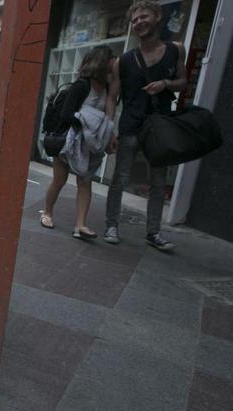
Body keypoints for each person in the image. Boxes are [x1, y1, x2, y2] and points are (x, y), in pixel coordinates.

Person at [104, 0, 187, 251]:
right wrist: (110, 128)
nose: (139, 22)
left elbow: (183, 82)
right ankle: (111, 225)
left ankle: (154, 232)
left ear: (157, 16)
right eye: (135, 19)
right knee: (120, 178)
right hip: (131, 125)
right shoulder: (124, 61)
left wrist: (166, 84)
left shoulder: (176, 50)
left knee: (158, 181)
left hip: (160, 126)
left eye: (144, 17)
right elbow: (112, 96)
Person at [41, 46, 117, 239]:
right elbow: (67, 115)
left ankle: (80, 225)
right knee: (60, 179)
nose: (115, 63)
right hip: (68, 140)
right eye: (112, 60)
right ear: (102, 62)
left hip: (88, 145)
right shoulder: (82, 86)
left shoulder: (108, 89)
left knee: (85, 182)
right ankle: (47, 212)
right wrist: (88, 123)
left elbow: (108, 118)